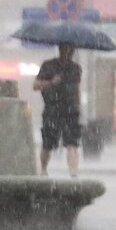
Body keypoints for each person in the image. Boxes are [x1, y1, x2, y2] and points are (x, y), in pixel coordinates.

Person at [34, 42, 82, 177]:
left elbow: (76, 88)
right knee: (47, 144)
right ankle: (43, 169)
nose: (68, 52)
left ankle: (73, 172)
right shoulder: (48, 66)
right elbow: (35, 85)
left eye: (71, 49)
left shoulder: (75, 68)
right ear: (60, 49)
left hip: (70, 110)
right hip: (52, 108)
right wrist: (51, 82)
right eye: (66, 49)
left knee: (72, 143)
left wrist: (77, 105)